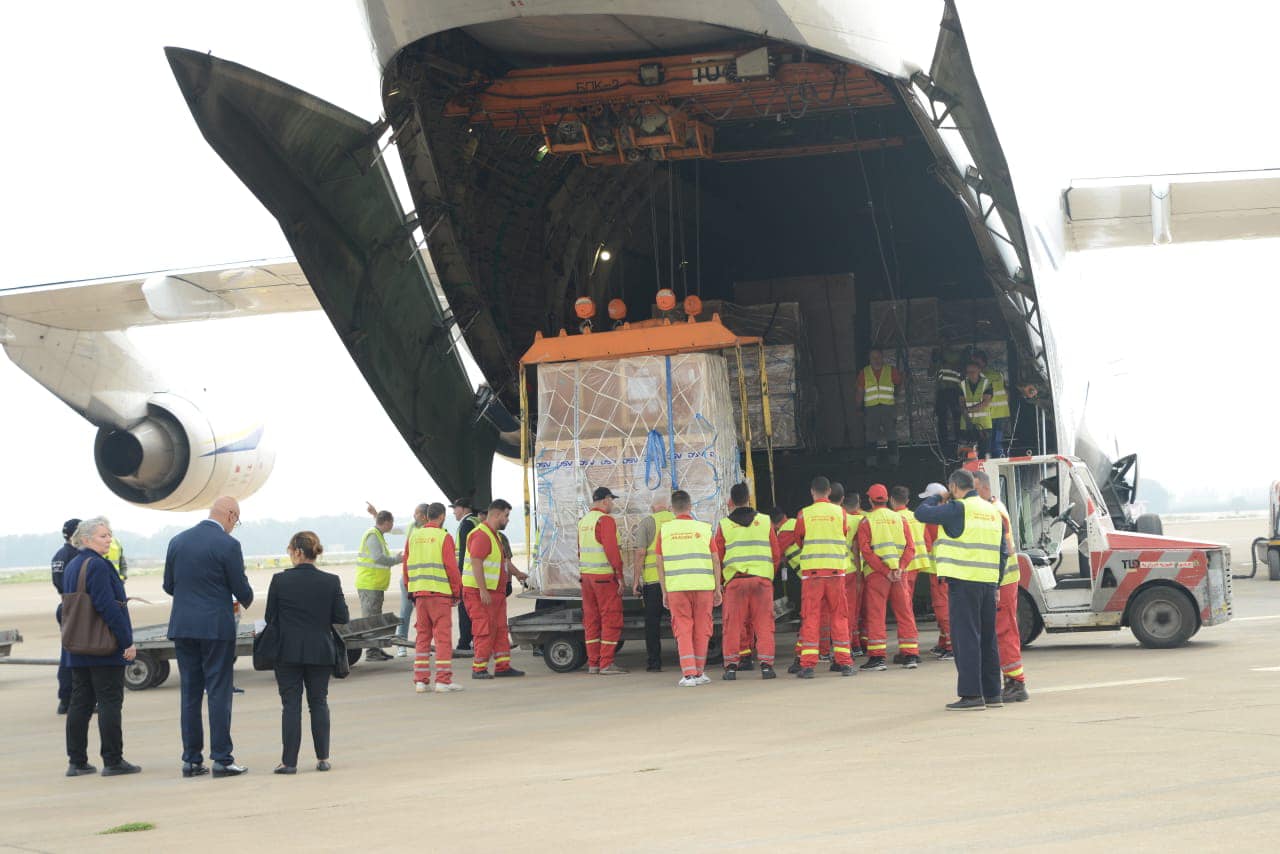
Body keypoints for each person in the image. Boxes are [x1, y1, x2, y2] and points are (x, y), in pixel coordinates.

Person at [163, 496, 254, 778]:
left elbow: (169, 585)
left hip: (183, 627)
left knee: (189, 693)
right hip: (215, 628)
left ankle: (191, 760)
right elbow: (240, 587)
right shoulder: (228, 545)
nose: (234, 527)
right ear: (229, 515)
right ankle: (222, 759)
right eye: (235, 521)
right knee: (218, 692)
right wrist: (246, 597)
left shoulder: (177, 541)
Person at [915, 469, 1010, 710]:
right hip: (988, 583)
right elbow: (1002, 551)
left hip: (964, 582)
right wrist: (997, 582)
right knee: (988, 639)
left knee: (966, 638)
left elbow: (921, 513)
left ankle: (971, 695)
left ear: (955, 487)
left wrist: (938, 496)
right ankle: (992, 693)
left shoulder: (959, 509)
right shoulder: (993, 511)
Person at [265, 531, 350, 774]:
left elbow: (270, 617)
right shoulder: (331, 581)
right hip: (320, 650)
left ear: (299, 552)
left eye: (290, 550)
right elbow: (341, 617)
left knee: (291, 706)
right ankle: (323, 758)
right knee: (319, 703)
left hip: (288, 651)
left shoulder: (280, 581)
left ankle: (289, 762)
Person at [62, 517, 140, 778]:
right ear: (85, 539)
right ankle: (113, 760)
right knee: (109, 701)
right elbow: (107, 606)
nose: (109, 539)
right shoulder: (97, 565)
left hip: (78, 645)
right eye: (103, 536)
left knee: (80, 703)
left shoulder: (74, 565)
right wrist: (126, 640)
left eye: (109, 535)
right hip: (102, 646)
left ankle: (77, 761)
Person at [713, 483, 781, 680]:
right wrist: (767, 574)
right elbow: (775, 553)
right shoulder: (765, 521)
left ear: (731, 501)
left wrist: (724, 581)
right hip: (761, 581)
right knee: (764, 624)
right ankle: (767, 666)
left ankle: (731, 668)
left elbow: (719, 556)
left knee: (732, 625)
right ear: (749, 498)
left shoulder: (724, 525)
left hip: (736, 583)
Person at [656, 490, 723, 687]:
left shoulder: (665, 531)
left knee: (683, 629)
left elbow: (659, 563)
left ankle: (688, 674)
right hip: (703, 587)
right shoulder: (703, 529)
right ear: (690, 506)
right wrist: (717, 587)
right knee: (703, 628)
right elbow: (716, 560)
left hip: (677, 587)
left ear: (672, 508)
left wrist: (664, 591)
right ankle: (700, 672)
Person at [974, 470, 1030, 703]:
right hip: (1002, 578)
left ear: (985, 489)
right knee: (1002, 630)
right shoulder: (996, 508)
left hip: (1002, 580)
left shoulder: (993, 512)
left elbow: (1001, 550)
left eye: (974, 490)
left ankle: (1016, 682)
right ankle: (1011, 680)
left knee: (1004, 630)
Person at [792, 476, 855, 678]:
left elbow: (799, 540)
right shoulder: (841, 513)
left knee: (811, 617)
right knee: (839, 616)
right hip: (836, 572)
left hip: (812, 574)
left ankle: (808, 665)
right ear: (829, 492)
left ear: (812, 492)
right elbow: (844, 534)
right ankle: (844, 663)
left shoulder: (804, 514)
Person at [858, 484, 920, 670]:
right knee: (905, 612)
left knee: (876, 614)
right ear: (887, 499)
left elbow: (866, 551)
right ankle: (910, 655)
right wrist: (899, 568)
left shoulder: (866, 521)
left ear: (870, 500)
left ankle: (878, 658)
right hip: (899, 574)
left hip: (878, 575)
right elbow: (910, 548)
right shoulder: (900, 519)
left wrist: (885, 571)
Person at [404, 503, 464, 693]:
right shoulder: (443, 536)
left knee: (422, 636)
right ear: (442, 516)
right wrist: (456, 592)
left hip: (419, 595)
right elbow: (451, 568)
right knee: (442, 638)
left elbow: (406, 566)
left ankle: (421, 681)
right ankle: (443, 681)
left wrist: (410, 590)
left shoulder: (413, 536)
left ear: (427, 516)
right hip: (439, 594)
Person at [464, 499, 525, 679]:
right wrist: (482, 590)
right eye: (506, 516)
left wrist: (518, 573)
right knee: (485, 629)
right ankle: (479, 668)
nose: (507, 520)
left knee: (499, 629)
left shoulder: (494, 535)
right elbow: (476, 562)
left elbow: (503, 562)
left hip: (495, 592)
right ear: (496, 515)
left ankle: (502, 666)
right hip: (480, 593)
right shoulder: (482, 535)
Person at [578, 487, 627, 675]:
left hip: (587, 577)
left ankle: (594, 663)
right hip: (604, 578)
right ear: (606, 500)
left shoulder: (583, 522)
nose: (612, 504)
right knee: (611, 618)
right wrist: (620, 576)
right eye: (611, 500)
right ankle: (606, 663)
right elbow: (612, 551)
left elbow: (580, 549)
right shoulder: (605, 520)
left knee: (591, 620)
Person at [633, 496, 675, 672]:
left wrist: (636, 580)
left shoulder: (647, 523)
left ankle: (654, 663)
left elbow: (641, 553)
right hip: (675, 582)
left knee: (652, 625)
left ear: (652, 507)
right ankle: (689, 660)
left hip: (654, 583)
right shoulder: (677, 521)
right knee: (681, 622)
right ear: (669, 507)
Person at [355, 510, 402, 662]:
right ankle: (371, 652)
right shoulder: (373, 535)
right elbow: (378, 558)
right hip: (369, 583)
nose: (392, 525)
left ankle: (376, 649)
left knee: (375, 618)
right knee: (370, 619)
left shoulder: (377, 535)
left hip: (375, 584)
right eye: (392, 522)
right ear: (387, 522)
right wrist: (396, 559)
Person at [918, 483, 953, 660]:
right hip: (944, 569)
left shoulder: (932, 520)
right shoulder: (949, 514)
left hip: (941, 571)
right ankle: (943, 642)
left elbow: (926, 543)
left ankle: (951, 646)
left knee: (942, 609)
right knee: (945, 607)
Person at [52, 518, 81, 715]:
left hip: (65, 606)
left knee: (68, 652)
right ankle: (71, 698)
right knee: (76, 654)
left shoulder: (59, 556)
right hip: (76, 608)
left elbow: (58, 583)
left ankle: (65, 698)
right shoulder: (75, 556)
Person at [856, 349, 902, 463]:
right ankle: (871, 463)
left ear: (882, 357)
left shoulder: (891, 370)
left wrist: (895, 398)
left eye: (878, 357)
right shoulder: (864, 373)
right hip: (871, 409)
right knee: (871, 436)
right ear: (869, 359)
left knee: (891, 435)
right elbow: (860, 391)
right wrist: (858, 407)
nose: (876, 360)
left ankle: (894, 462)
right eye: (873, 358)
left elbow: (899, 383)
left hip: (888, 408)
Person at [450, 498, 483, 659]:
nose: (453, 511)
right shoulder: (476, 521)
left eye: (455, 508)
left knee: (465, 611)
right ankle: (474, 641)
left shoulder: (466, 524)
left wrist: (459, 576)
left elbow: (463, 553)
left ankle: (464, 643)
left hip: (467, 574)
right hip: (476, 573)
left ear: (463, 509)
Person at [841, 493, 866, 658]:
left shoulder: (840, 519)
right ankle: (857, 644)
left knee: (846, 611)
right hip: (862, 571)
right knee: (860, 611)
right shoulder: (864, 519)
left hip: (842, 569)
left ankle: (851, 644)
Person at [973, 350, 1010, 458]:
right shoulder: (998, 374)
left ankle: (989, 466)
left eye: (977, 363)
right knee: (996, 442)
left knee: (987, 444)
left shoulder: (981, 377)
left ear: (983, 363)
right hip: (1001, 413)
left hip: (990, 415)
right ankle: (1000, 463)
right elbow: (1006, 392)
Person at [934, 347, 965, 460]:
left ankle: (954, 441)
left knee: (953, 418)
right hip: (947, 392)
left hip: (951, 391)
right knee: (945, 419)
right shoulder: (942, 360)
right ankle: (951, 442)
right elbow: (932, 376)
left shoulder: (949, 357)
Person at [961, 361, 993, 459]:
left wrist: (969, 410)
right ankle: (971, 473)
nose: (970, 374)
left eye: (973, 371)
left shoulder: (986, 383)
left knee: (985, 453)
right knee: (970, 454)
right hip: (968, 425)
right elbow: (961, 403)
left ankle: (985, 473)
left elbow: (985, 402)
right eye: (968, 372)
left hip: (984, 425)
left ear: (979, 371)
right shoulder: (962, 384)